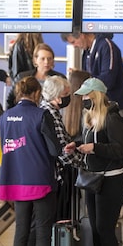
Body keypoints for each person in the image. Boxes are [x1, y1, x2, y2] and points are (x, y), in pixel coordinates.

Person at [0, 76, 62, 246]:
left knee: (21, 230)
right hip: (41, 181)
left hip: (16, 179)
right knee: (42, 232)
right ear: (37, 94)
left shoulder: (4, 117)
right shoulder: (41, 115)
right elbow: (55, 150)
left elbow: (7, 146)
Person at [64, 77, 123, 246]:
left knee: (105, 228)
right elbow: (87, 140)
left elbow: (120, 149)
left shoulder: (111, 118)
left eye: (86, 96)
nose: (83, 100)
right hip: (93, 180)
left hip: (111, 181)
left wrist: (94, 148)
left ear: (96, 96)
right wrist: (75, 145)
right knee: (94, 228)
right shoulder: (89, 117)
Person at [40, 76, 83, 223]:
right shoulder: (51, 115)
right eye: (66, 95)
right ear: (57, 98)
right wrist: (82, 163)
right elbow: (62, 149)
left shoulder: (45, 109)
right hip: (56, 174)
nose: (68, 98)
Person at [61, 32, 123, 115]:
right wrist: (80, 75)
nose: (74, 46)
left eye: (73, 42)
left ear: (81, 35)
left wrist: (84, 77)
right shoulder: (87, 51)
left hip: (113, 103)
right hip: (96, 103)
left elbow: (108, 79)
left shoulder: (106, 46)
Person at [7, 43, 64, 109]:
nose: (46, 62)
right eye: (43, 59)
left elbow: (65, 101)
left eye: (49, 59)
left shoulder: (60, 79)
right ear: (35, 60)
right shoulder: (22, 77)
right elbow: (11, 100)